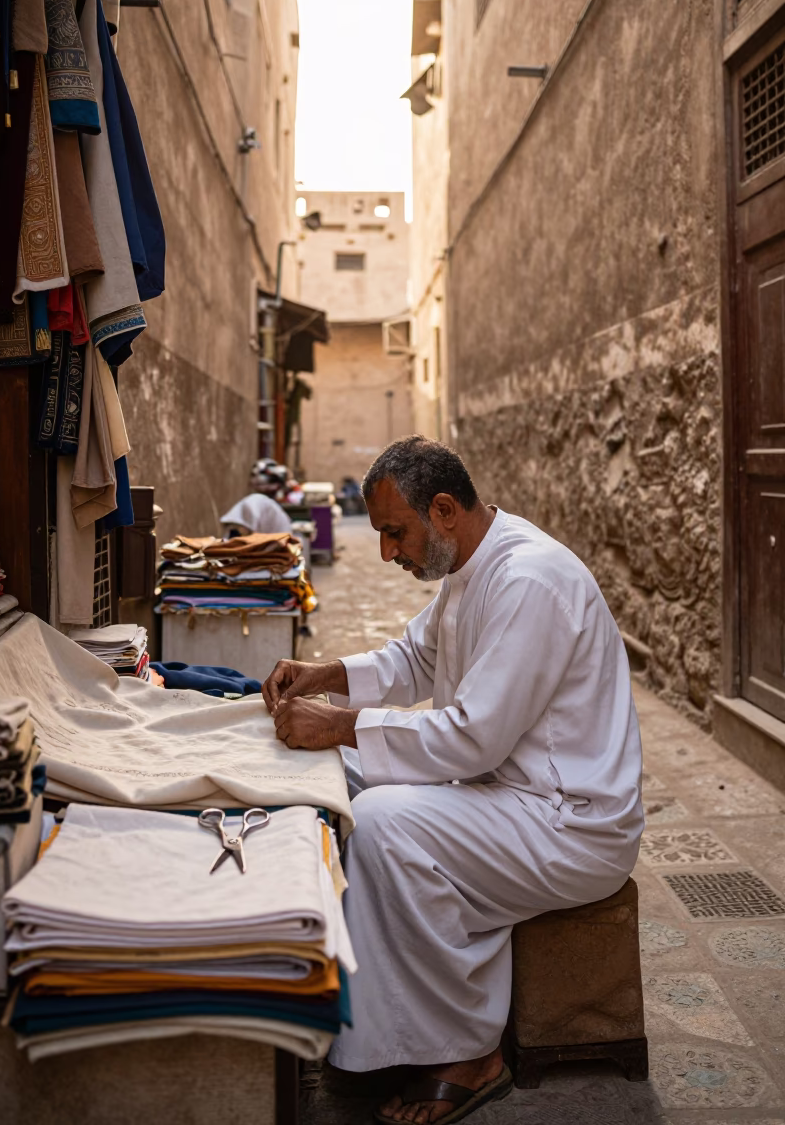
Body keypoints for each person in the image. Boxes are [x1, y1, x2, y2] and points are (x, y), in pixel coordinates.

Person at [263, 436, 643, 1125]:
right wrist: (327, 676)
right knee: (333, 775)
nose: (387, 552)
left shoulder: (528, 579)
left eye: (394, 533)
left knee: (383, 822)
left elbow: (472, 737)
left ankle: (469, 1052)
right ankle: (366, 1007)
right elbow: (416, 658)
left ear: (443, 510)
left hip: (569, 821)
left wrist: (338, 724)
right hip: (507, 792)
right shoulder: (473, 564)